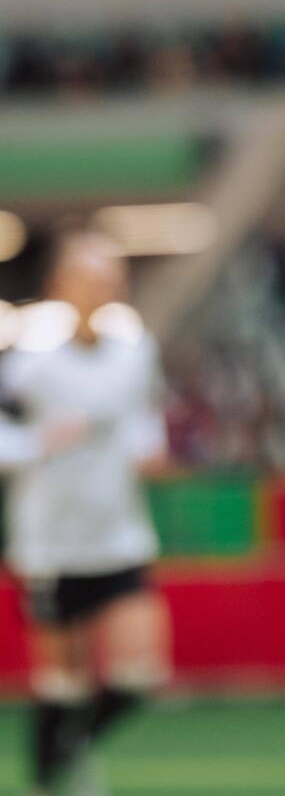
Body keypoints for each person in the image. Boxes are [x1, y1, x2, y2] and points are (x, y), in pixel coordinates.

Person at [0, 230, 173, 796]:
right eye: (91, 277)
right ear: (60, 284)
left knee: (139, 674)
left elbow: (141, 417)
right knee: (63, 683)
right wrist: (35, 444)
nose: (103, 289)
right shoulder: (25, 359)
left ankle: (70, 751)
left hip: (119, 534)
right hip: (51, 541)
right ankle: (48, 778)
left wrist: (151, 448)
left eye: (111, 279)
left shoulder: (134, 350)